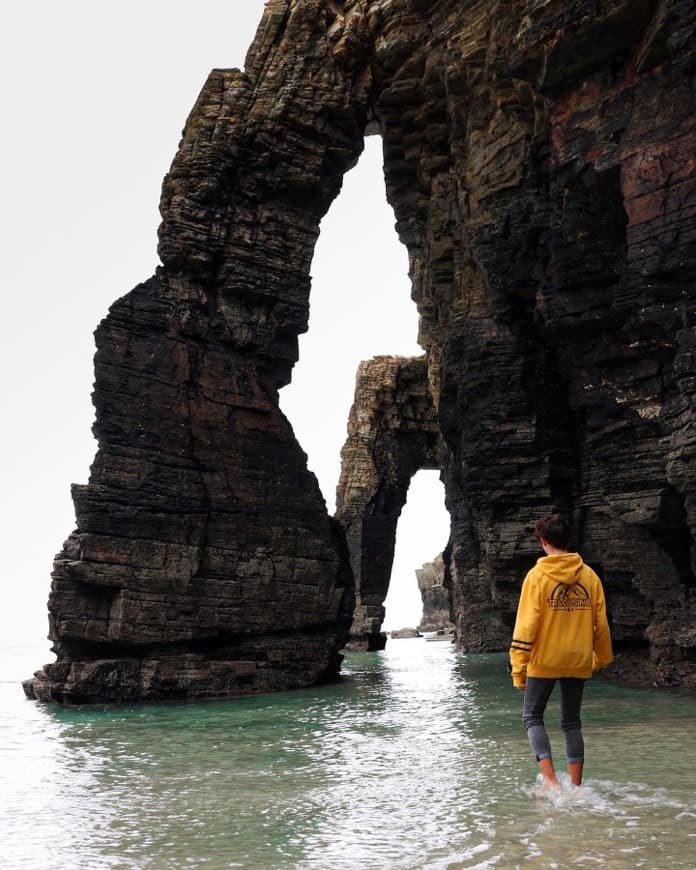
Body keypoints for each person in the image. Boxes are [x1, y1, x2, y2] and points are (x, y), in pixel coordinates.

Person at [509, 513, 613, 788]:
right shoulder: (589, 577)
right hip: (578, 659)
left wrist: (518, 669)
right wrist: (600, 659)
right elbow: (600, 623)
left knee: (532, 716)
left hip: (545, 659)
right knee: (571, 721)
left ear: (543, 541)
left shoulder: (537, 577)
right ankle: (576, 786)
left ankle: (551, 782)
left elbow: (526, 626)